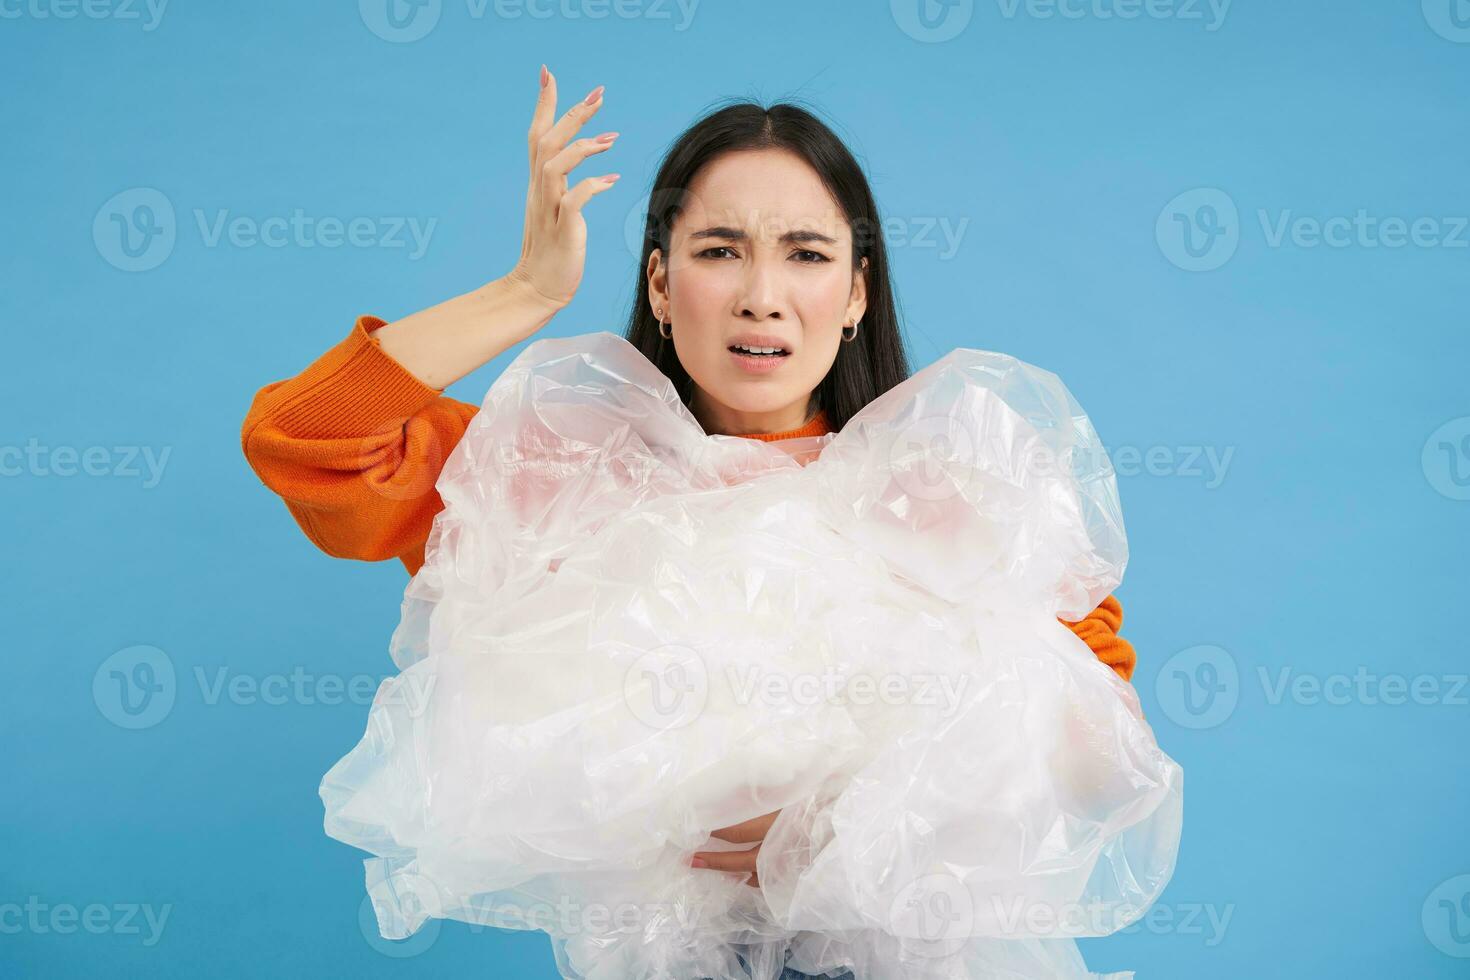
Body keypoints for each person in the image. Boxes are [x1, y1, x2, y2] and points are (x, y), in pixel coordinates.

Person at [240, 65, 1138, 979]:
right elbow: (305, 437)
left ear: (858, 293)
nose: (762, 293)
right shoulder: (556, 478)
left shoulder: (948, 489)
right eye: (718, 251)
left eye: (807, 253)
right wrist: (527, 291)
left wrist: (861, 823)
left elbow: (1104, 752)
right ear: (661, 287)